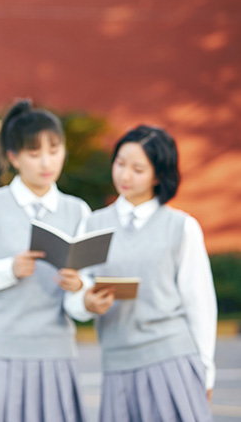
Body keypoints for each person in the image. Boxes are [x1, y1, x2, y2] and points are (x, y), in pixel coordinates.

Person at [64, 125, 217, 422]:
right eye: (120, 164)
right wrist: (86, 302)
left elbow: (200, 305)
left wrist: (206, 372)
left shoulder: (181, 227)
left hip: (172, 361)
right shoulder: (93, 225)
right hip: (117, 366)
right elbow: (73, 298)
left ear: (158, 175)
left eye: (137, 169)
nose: (124, 175)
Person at [0, 100, 90, 422]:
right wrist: (10, 269)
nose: (47, 162)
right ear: (14, 156)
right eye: (34, 153)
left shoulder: (78, 211)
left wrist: (81, 289)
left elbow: (80, 302)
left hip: (56, 352)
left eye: (55, 150)